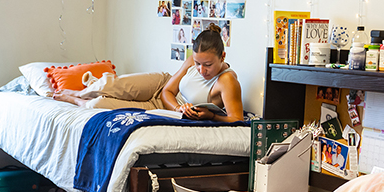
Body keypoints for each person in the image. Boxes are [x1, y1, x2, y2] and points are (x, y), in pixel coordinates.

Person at [53, 25, 243, 122]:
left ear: (222, 57)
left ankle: (77, 100)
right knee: (112, 85)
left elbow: (237, 120)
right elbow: (167, 90)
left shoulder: (227, 80)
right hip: (161, 86)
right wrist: (178, 107)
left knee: (98, 105)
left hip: (163, 108)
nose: (201, 70)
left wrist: (211, 116)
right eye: (198, 63)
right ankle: (80, 92)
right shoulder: (192, 60)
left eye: (207, 65)